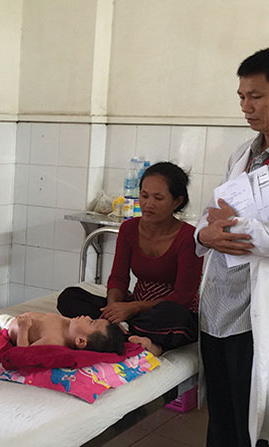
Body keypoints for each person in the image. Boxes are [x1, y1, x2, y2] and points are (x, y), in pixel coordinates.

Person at [195, 48, 269, 447]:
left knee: (251, 418)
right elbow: (209, 216)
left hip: (256, 312)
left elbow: (234, 222)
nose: (245, 106)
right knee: (221, 415)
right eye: (241, 96)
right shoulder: (243, 154)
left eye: (255, 96)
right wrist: (203, 235)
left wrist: (245, 230)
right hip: (219, 304)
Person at [57, 162, 203, 356]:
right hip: (135, 309)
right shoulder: (129, 229)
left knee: (174, 318)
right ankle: (124, 332)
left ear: (177, 202)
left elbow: (183, 296)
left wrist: (132, 308)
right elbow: (118, 277)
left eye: (158, 198)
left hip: (168, 313)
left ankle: (119, 335)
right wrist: (112, 309)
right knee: (69, 297)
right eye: (144, 195)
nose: (148, 203)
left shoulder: (189, 238)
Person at [0, 303, 125, 353]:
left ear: (80, 341)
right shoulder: (69, 323)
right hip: (11, 320)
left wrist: (24, 329)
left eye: (91, 322)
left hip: (9, 329)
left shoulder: (54, 340)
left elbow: (23, 352)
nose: (87, 317)